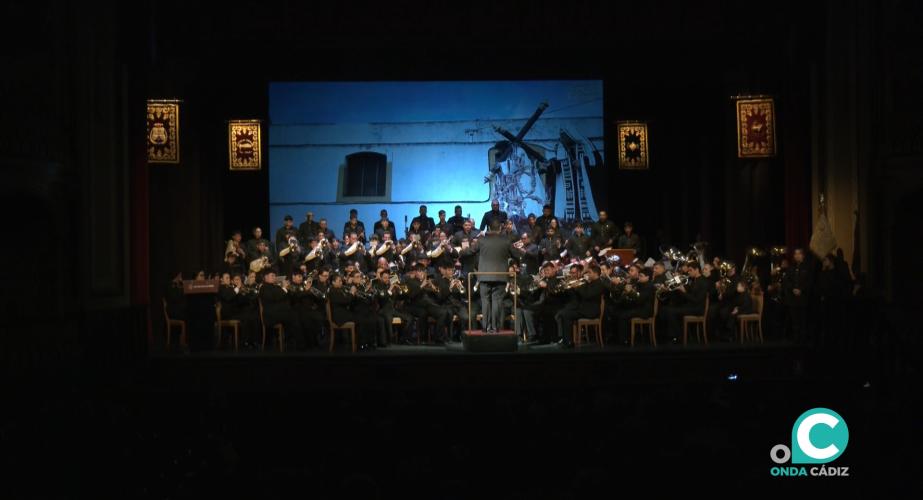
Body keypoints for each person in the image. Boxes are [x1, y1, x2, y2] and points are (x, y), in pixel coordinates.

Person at [554, 264, 607, 348]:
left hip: (591, 312)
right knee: (565, 313)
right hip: (584, 310)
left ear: (596, 273)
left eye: (589, 273)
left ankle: (568, 342)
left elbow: (587, 295)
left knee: (566, 315)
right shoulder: (591, 283)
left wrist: (577, 287)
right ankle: (566, 341)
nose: (587, 274)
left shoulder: (599, 284)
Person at [475, 220, 514, 333]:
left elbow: (471, 251)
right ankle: (495, 327)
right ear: (500, 229)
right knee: (497, 301)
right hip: (500, 276)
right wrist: (524, 254)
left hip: (484, 276)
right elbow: (515, 253)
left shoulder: (481, 240)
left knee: (485, 301)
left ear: (489, 228)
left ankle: (485, 327)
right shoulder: (506, 240)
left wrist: (460, 252)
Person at [660, 262, 710, 343]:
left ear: (697, 270)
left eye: (690, 270)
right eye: (688, 271)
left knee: (670, 311)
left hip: (698, 309)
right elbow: (685, 289)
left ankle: (678, 337)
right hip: (691, 306)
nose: (689, 272)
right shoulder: (693, 280)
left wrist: (683, 292)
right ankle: (672, 335)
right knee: (666, 309)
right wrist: (676, 279)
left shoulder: (703, 282)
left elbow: (696, 300)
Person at [258, 271, 304, 350]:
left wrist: (289, 291)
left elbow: (285, 298)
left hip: (280, 313)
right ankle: (299, 344)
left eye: (275, 276)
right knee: (293, 316)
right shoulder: (263, 287)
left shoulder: (276, 286)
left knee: (296, 314)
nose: (274, 277)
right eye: (272, 275)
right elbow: (275, 297)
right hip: (271, 315)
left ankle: (292, 342)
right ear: (266, 277)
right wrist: (284, 288)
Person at [782, 248, 813, 344]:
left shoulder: (808, 267)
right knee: (795, 322)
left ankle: (803, 341)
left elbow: (810, 282)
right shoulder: (791, 268)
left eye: (799, 254)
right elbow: (786, 281)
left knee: (803, 321)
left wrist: (801, 290)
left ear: (803, 255)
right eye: (795, 254)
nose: (797, 256)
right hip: (793, 299)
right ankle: (796, 341)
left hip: (804, 299)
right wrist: (793, 289)